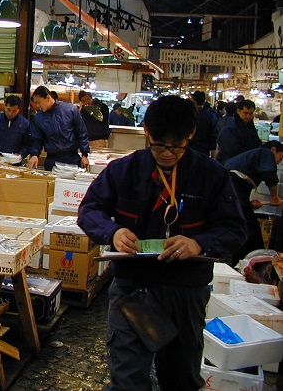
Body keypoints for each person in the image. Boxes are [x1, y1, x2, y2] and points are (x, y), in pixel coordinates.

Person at [77, 95, 246, 391]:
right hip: (133, 287)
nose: (167, 153)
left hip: (186, 289)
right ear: (146, 131)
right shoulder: (123, 170)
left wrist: (199, 243)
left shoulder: (211, 174)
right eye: (159, 145)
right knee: (127, 380)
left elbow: (234, 228)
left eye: (176, 145)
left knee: (181, 379)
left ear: (191, 135)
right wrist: (113, 232)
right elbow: (89, 210)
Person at [224, 141, 283, 264]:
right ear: (273, 150)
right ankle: (247, 265)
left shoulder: (251, 156)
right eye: (280, 157)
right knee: (251, 232)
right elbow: (269, 174)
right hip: (233, 186)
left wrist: (249, 204)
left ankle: (242, 263)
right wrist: (274, 197)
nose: (279, 162)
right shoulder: (266, 152)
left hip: (233, 189)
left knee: (245, 228)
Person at [27, 85, 90, 170]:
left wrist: (84, 154)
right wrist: (35, 154)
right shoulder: (38, 118)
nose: (37, 106)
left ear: (48, 98)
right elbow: (37, 140)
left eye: (39, 102)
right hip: (52, 160)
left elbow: (81, 133)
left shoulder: (70, 110)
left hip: (72, 158)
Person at [0, 95, 31, 160]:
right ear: (5, 106)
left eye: (14, 111)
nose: (10, 113)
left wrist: (21, 154)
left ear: (18, 110)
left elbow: (27, 144)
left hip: (14, 160)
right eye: (8, 110)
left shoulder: (25, 124)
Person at [217, 99, 261, 164]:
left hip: (245, 161)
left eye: (251, 113)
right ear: (238, 111)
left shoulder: (249, 126)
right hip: (231, 163)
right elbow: (232, 149)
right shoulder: (230, 127)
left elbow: (257, 142)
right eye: (245, 113)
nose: (248, 116)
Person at [188, 90, 218, 157]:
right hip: (203, 151)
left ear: (194, 101)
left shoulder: (188, 115)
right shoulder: (210, 116)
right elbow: (213, 136)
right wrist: (213, 155)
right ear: (204, 102)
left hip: (188, 150)